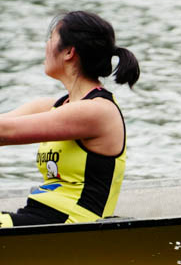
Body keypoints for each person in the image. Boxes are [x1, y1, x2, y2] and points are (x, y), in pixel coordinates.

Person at [0, 11, 140, 227]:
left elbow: (4, 132)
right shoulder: (52, 107)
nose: (46, 46)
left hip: (71, 222)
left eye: (51, 38)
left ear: (68, 52)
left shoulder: (97, 111)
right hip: (39, 217)